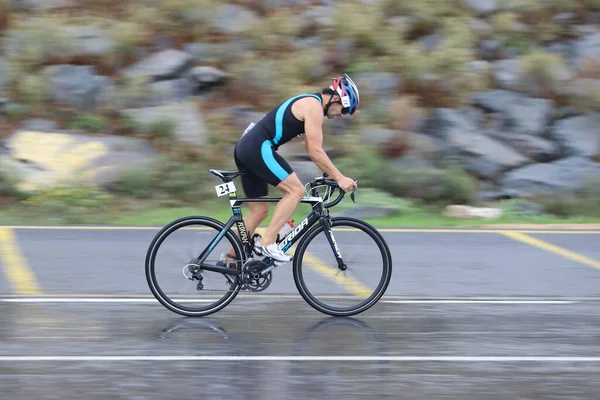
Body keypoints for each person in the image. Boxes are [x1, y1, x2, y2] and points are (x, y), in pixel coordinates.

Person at [225, 74, 360, 265]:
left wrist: (331, 173)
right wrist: (339, 178)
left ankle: (231, 260)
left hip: (247, 147)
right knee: (296, 191)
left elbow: (311, 148)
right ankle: (268, 242)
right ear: (336, 99)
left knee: (259, 211)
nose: (342, 115)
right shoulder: (313, 107)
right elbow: (314, 150)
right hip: (257, 147)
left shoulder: (309, 102)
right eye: (344, 110)